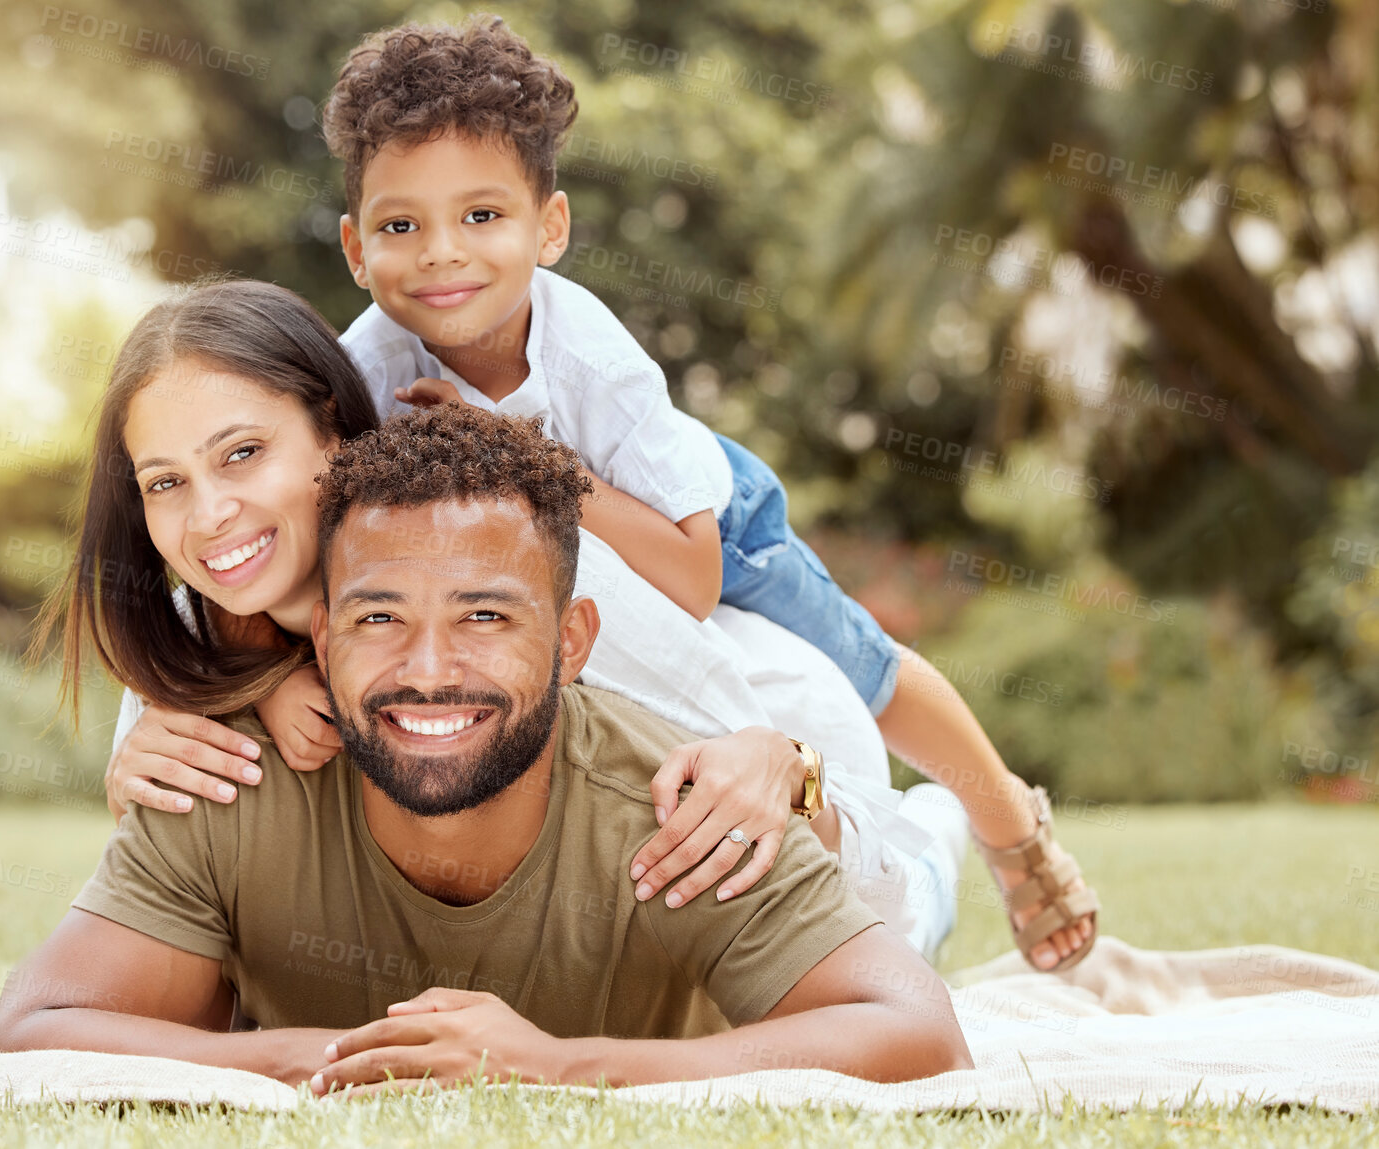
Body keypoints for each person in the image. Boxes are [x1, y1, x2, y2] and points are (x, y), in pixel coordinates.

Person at [319, 15, 1097, 971]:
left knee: (867, 669)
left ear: (549, 227)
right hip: (562, 557)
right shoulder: (359, 375)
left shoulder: (596, 362)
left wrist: (519, 452)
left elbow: (692, 579)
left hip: (708, 516)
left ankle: (1010, 825)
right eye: (403, 226)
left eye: (482, 216)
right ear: (357, 248)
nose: (442, 253)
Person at [0, 402, 973, 1091]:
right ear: (321, 638)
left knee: (909, 891)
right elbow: (37, 1026)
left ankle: (947, 829)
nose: (429, 669)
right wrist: (345, 1057)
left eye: (487, 617)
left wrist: (555, 1067)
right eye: (379, 620)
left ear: (575, 642)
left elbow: (918, 1028)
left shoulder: (681, 806)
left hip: (815, 762)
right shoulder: (234, 774)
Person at [54, 278, 966, 960]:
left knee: (898, 904)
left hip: (789, 724)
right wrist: (134, 770)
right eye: (166, 482)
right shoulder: (190, 634)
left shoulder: (495, 544)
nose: (209, 514)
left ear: (333, 428)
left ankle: (942, 832)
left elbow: (760, 761)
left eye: (244, 453)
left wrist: (789, 773)